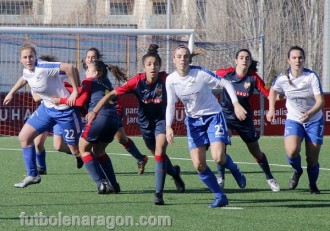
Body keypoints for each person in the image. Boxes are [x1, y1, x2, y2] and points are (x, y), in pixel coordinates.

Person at [86, 44, 185, 205]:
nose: (153, 67)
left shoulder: (166, 79)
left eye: (156, 64)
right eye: (149, 64)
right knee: (158, 155)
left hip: (162, 121)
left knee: (159, 153)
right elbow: (111, 94)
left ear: (160, 67)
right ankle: (174, 173)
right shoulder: (137, 81)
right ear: (144, 67)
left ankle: (158, 195)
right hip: (145, 123)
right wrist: (95, 111)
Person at [166, 45, 247, 208]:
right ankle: (220, 196)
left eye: (185, 56)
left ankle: (234, 169)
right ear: (174, 59)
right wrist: (168, 126)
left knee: (218, 157)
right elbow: (170, 104)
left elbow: (226, 83)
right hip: (193, 122)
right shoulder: (171, 80)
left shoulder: (200, 73)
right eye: (179, 56)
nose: (182, 59)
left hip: (213, 117)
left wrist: (236, 104)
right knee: (199, 165)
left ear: (190, 59)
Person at [8, 43, 82, 188]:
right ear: (21, 60)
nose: (28, 59)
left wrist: (75, 90)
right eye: (25, 57)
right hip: (47, 109)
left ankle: (95, 169)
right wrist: (11, 92)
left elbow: (70, 68)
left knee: (72, 149)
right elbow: (24, 79)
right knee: (26, 138)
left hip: (63, 110)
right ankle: (34, 174)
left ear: (35, 57)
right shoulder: (28, 72)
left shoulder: (45, 68)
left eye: (31, 56)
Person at [53, 59, 123, 193]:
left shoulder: (89, 81)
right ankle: (113, 184)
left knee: (83, 148)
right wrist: (68, 86)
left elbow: (79, 102)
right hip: (114, 119)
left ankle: (101, 184)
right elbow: (83, 92)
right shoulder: (106, 83)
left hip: (99, 117)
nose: (85, 73)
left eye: (88, 70)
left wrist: (60, 100)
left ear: (95, 72)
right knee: (99, 151)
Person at [215, 49, 280, 192]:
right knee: (221, 145)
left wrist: (275, 104)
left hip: (244, 119)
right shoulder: (226, 74)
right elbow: (206, 75)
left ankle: (270, 178)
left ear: (250, 62)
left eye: (247, 58)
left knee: (256, 151)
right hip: (225, 116)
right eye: (241, 57)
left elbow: (269, 94)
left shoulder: (253, 78)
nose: (244, 60)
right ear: (236, 60)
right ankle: (220, 178)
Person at [266, 46, 324, 194]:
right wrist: (271, 109)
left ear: (304, 60)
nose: (297, 60)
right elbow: (272, 91)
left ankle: (313, 185)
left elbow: (320, 101)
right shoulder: (282, 78)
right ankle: (297, 171)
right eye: (294, 57)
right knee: (292, 151)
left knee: (312, 158)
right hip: (294, 119)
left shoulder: (311, 76)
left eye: (300, 58)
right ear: (288, 60)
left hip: (314, 120)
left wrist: (310, 113)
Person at [83, 47, 148, 174]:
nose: (90, 59)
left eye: (93, 57)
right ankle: (140, 158)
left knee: (113, 140)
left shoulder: (98, 76)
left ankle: (95, 164)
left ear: (98, 60)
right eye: (88, 57)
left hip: (111, 108)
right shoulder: (90, 74)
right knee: (121, 138)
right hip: (104, 110)